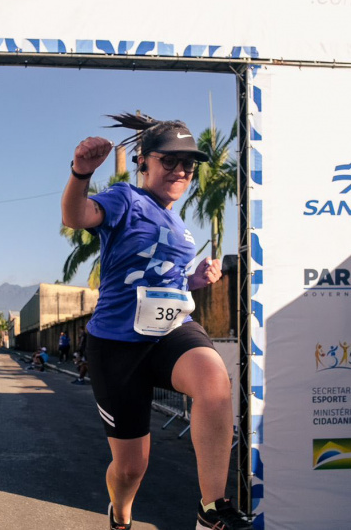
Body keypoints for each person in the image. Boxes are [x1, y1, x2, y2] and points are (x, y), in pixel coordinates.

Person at [61, 113, 250, 530]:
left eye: (189, 164)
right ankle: (120, 514)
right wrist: (81, 173)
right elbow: (76, 217)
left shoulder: (181, 227)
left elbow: (164, 281)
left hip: (169, 332)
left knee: (214, 381)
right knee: (131, 468)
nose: (181, 170)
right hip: (117, 346)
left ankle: (212, 507)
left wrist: (194, 280)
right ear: (144, 162)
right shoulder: (125, 199)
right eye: (170, 160)